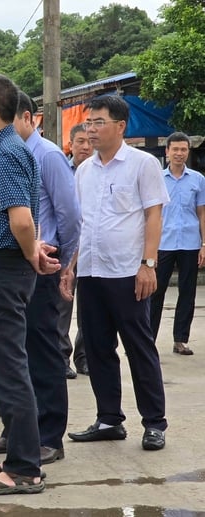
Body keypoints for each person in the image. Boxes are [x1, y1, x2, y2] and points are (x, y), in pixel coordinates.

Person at [0, 73, 59, 496]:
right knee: (6, 369)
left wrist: (29, 252)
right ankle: (22, 456)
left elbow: (21, 219)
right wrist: (31, 250)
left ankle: (24, 468)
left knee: (10, 370)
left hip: (1, 269)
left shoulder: (6, 153)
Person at [0, 92, 81, 466]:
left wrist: (64, 266)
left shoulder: (46, 154)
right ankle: (17, 431)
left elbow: (69, 216)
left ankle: (49, 435)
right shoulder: (4, 153)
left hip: (40, 263)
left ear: (26, 118)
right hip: (21, 262)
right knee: (11, 355)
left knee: (42, 352)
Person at [64, 95, 169, 452]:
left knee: (139, 347)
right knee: (96, 348)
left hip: (127, 271)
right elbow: (83, 223)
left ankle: (154, 423)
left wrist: (148, 264)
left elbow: (153, 216)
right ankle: (109, 419)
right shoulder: (84, 171)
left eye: (98, 122)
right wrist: (72, 266)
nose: (90, 129)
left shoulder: (142, 164)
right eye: (88, 122)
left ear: (120, 126)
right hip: (91, 272)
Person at [150, 132, 205, 356]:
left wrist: (204, 244)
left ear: (188, 152)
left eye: (184, 149)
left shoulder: (198, 180)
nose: (179, 153)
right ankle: (147, 339)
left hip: (190, 243)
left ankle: (180, 340)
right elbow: (150, 213)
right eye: (175, 149)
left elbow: (202, 213)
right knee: (155, 292)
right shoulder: (157, 179)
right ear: (167, 151)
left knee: (187, 291)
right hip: (163, 243)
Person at [58, 124, 93, 375]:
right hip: (67, 249)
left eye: (89, 141)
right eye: (80, 141)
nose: (85, 146)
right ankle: (61, 358)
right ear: (71, 144)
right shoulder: (62, 170)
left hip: (93, 250)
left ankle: (84, 357)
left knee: (89, 309)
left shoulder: (99, 172)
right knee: (62, 306)